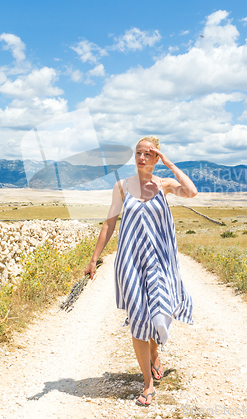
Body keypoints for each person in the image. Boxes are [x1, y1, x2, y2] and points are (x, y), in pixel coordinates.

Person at [84, 136, 197, 407]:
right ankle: (147, 383)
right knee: (138, 320)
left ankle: (154, 350)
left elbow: (191, 191)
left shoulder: (165, 185)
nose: (142, 158)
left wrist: (169, 162)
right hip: (131, 263)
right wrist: (94, 259)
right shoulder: (122, 187)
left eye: (149, 154)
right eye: (138, 153)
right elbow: (109, 224)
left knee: (160, 314)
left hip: (160, 262)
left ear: (156, 158)